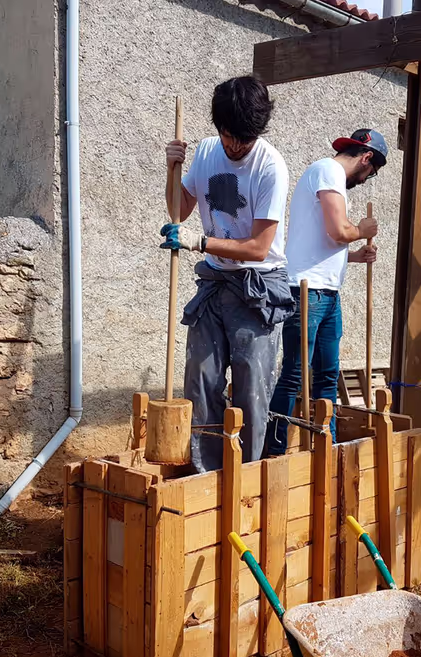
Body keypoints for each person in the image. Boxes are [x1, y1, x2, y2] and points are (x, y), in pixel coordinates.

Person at [161, 76, 293, 472]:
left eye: (245, 139)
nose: (236, 146)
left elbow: (257, 246)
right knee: (200, 382)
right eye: (229, 136)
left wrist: (199, 243)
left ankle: (246, 480)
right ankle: (206, 477)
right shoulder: (203, 153)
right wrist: (171, 168)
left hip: (259, 287)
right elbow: (177, 211)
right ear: (219, 128)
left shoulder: (270, 166)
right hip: (215, 282)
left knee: (252, 391)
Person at [267, 129, 387, 454]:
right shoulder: (328, 170)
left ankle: (327, 449)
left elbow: (319, 241)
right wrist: (362, 231)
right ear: (366, 158)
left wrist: (355, 255)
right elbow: (338, 231)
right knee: (294, 374)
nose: (365, 179)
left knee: (327, 375)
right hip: (305, 293)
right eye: (370, 174)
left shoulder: (327, 175)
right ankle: (274, 453)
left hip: (325, 293)